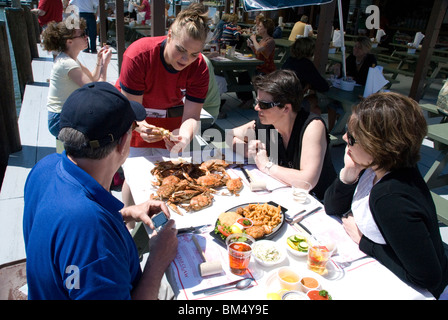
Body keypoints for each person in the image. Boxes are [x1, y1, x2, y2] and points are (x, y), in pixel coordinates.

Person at [23, 82, 179, 299]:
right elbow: (88, 238)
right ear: (123, 142)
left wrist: (124, 214)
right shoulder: (92, 233)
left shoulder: (44, 168)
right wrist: (157, 261)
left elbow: (61, 227)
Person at [324, 92, 448, 299]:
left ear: (379, 147)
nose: (345, 138)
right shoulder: (375, 167)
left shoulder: (391, 198)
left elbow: (428, 278)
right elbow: (332, 207)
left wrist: (364, 241)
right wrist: (348, 174)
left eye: (352, 138)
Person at [116, 3, 210, 210]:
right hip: (135, 113)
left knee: (170, 173)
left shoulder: (200, 67)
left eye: (194, 54)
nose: (186, 60)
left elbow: (192, 114)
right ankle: (130, 221)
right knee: (135, 173)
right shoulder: (139, 55)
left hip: (170, 117)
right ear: (169, 36)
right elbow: (132, 108)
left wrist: (184, 136)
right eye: (181, 50)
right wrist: (140, 126)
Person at [228, 70, 336, 201]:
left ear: (286, 108)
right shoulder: (266, 123)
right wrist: (247, 150)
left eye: (263, 104)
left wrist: (267, 165)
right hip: (286, 196)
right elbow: (230, 136)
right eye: (257, 102)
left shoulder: (312, 126)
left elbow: (307, 181)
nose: (256, 108)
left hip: (319, 202)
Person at [41, 18, 112, 138]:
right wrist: (105, 65)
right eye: (82, 35)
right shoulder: (67, 64)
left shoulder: (69, 59)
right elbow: (97, 91)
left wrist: (99, 60)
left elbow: (93, 78)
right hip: (59, 120)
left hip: (64, 115)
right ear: (69, 41)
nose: (86, 37)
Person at [282, 37, 329, 115]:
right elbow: (323, 86)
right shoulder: (306, 64)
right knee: (314, 99)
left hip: (279, 100)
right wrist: (309, 85)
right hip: (290, 104)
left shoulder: (289, 60)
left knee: (316, 110)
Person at [238, 17, 276, 108]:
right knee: (242, 76)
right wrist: (251, 46)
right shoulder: (262, 40)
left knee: (251, 77)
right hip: (258, 67)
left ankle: (252, 101)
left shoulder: (270, 41)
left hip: (266, 70)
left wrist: (254, 39)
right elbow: (258, 52)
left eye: (260, 26)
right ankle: (247, 99)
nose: (258, 28)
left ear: (266, 29)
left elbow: (259, 49)